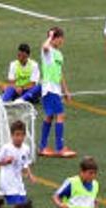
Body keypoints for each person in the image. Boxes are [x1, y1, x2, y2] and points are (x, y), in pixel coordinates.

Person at [38, 27, 76, 158]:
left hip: (56, 89)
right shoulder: (47, 51)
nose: (61, 41)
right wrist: (50, 36)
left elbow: (60, 74)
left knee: (49, 116)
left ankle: (43, 147)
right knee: (60, 115)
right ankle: (60, 148)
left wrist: (66, 91)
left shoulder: (59, 54)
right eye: (59, 38)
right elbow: (44, 47)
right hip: (49, 88)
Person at [0, 121, 36, 208]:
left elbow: (25, 163)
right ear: (11, 135)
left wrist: (30, 175)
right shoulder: (6, 148)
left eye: (22, 135)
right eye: (17, 135)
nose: (19, 138)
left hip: (19, 183)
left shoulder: (26, 148)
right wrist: (5, 161)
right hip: (8, 183)